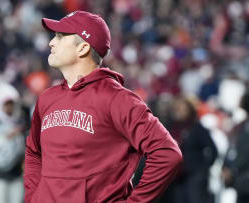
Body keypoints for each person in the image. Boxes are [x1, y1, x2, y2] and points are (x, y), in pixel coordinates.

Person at [24, 10, 183, 203]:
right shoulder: (47, 99)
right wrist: (34, 197)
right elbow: (34, 152)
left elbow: (167, 153)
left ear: (82, 48)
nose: (51, 42)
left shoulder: (118, 99)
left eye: (60, 36)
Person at [222, 91, 249, 203]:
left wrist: (233, 169)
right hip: (241, 183)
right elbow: (231, 148)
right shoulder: (240, 126)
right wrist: (226, 167)